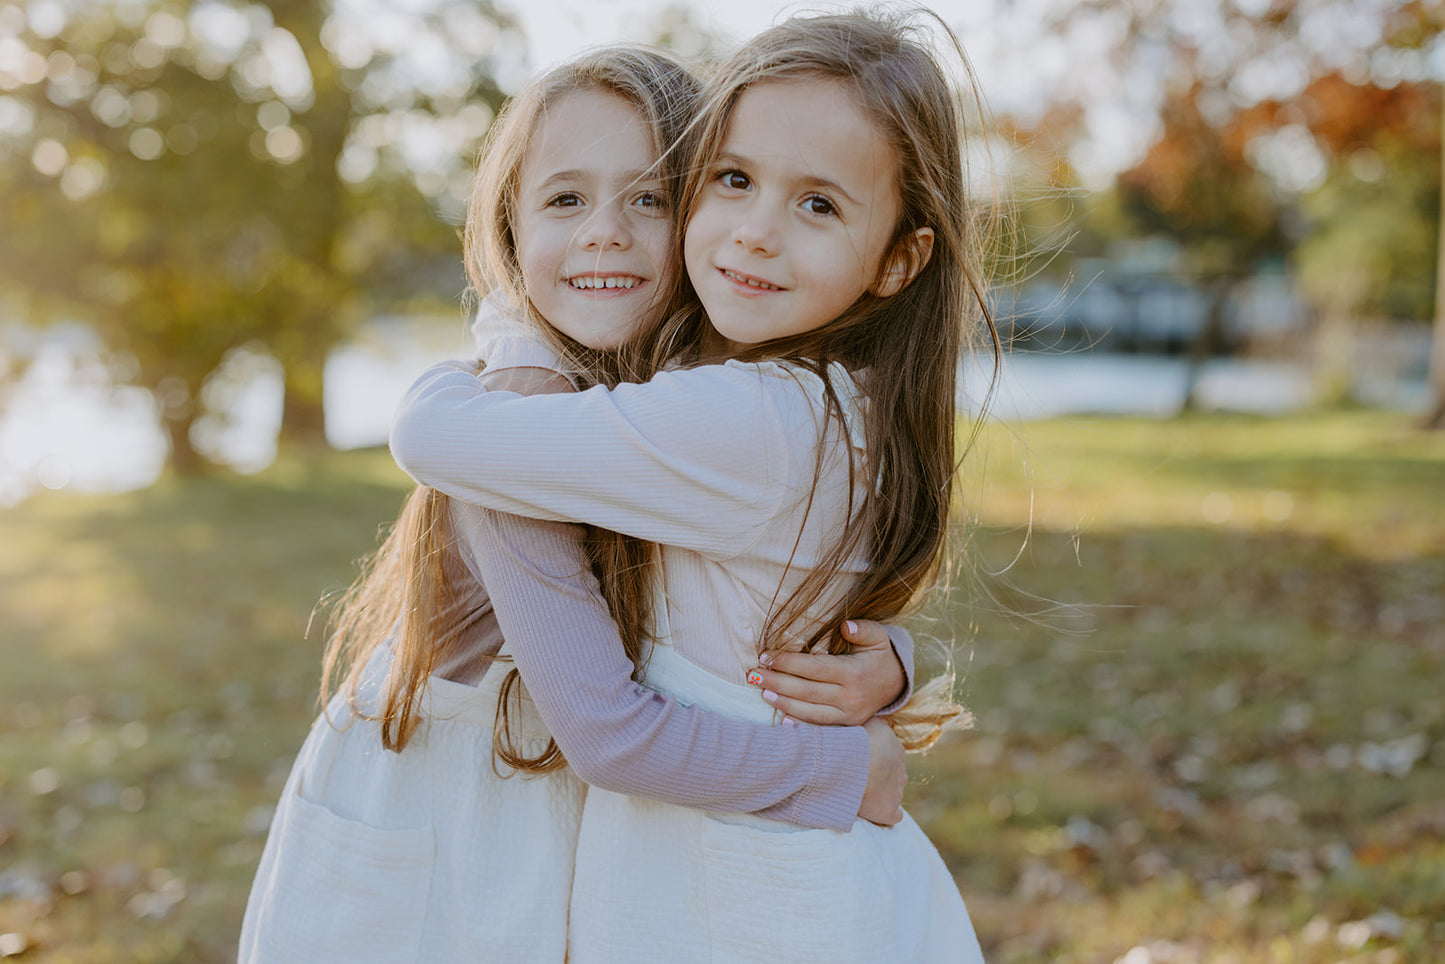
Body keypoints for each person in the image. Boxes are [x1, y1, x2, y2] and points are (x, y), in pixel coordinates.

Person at [241, 45, 915, 964]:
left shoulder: (683, 398)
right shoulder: (517, 418)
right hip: (449, 813)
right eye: (565, 198)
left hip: (555, 809)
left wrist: (893, 660)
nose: (605, 231)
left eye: (649, 197)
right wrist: (847, 767)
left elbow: (761, 584)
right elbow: (609, 732)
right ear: (511, 229)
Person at [390, 9, 998, 962]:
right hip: (783, 884)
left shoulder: (749, 420)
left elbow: (433, 435)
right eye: (734, 180)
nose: (754, 234)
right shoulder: (833, 403)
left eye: (818, 205)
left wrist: (502, 336)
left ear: (898, 259)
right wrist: (899, 663)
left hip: (754, 901)